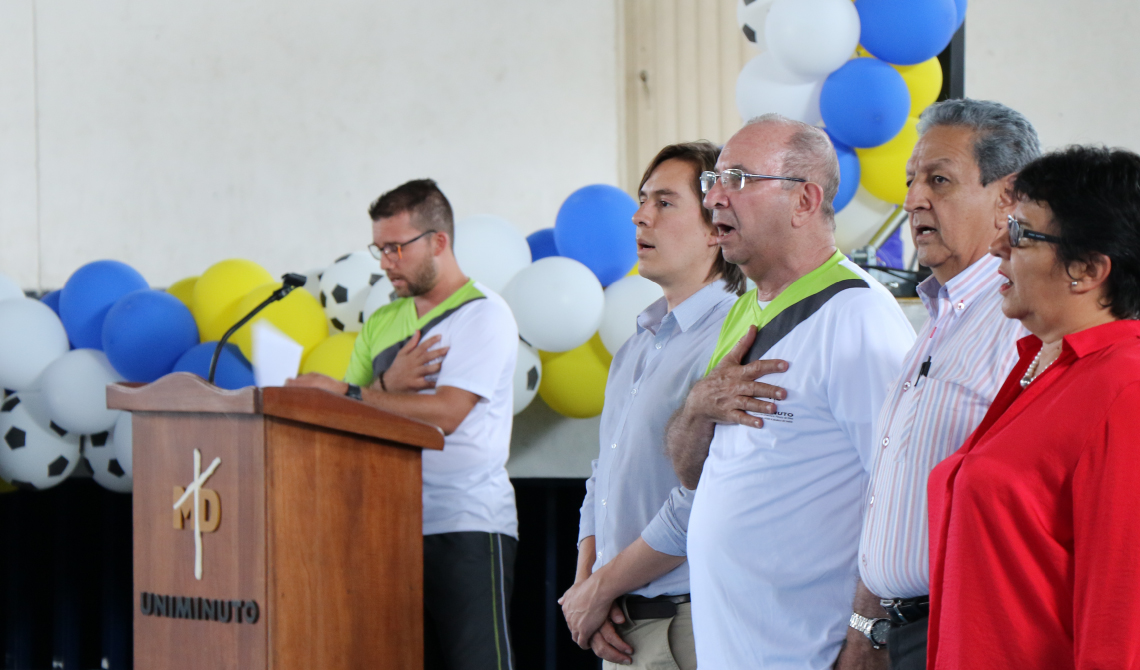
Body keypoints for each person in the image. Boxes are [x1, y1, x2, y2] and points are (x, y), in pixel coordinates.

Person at [664, 114, 915, 669]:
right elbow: (689, 473)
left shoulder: (859, 317)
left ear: (804, 201)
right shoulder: (744, 310)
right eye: (714, 182)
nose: (715, 200)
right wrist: (699, 407)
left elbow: (897, 492)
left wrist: (866, 633)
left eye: (739, 180)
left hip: (813, 651)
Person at [287, 179, 519, 670]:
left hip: (466, 522)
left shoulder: (485, 315)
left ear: (439, 241)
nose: (385, 261)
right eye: (380, 248)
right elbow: (351, 423)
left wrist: (354, 392)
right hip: (385, 524)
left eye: (396, 248)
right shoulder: (381, 322)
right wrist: (386, 387)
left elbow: (448, 414)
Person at [927, 146, 1140, 669]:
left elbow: (1121, 617)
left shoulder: (1124, 388)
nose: (998, 245)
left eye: (1021, 233)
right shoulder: (1041, 363)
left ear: (1087, 269)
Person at [854, 99, 1040, 669]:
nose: (913, 200)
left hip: (970, 633)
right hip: (902, 632)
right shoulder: (941, 316)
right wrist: (867, 626)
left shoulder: (1020, 321)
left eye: (939, 180)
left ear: (1007, 198)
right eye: (911, 180)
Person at [558, 142, 746, 669]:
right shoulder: (636, 346)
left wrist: (599, 590)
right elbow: (604, 476)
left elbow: (704, 495)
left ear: (716, 228)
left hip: (684, 621)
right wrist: (587, 588)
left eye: (665, 203)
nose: (640, 216)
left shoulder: (731, 336)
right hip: (620, 621)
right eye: (643, 200)